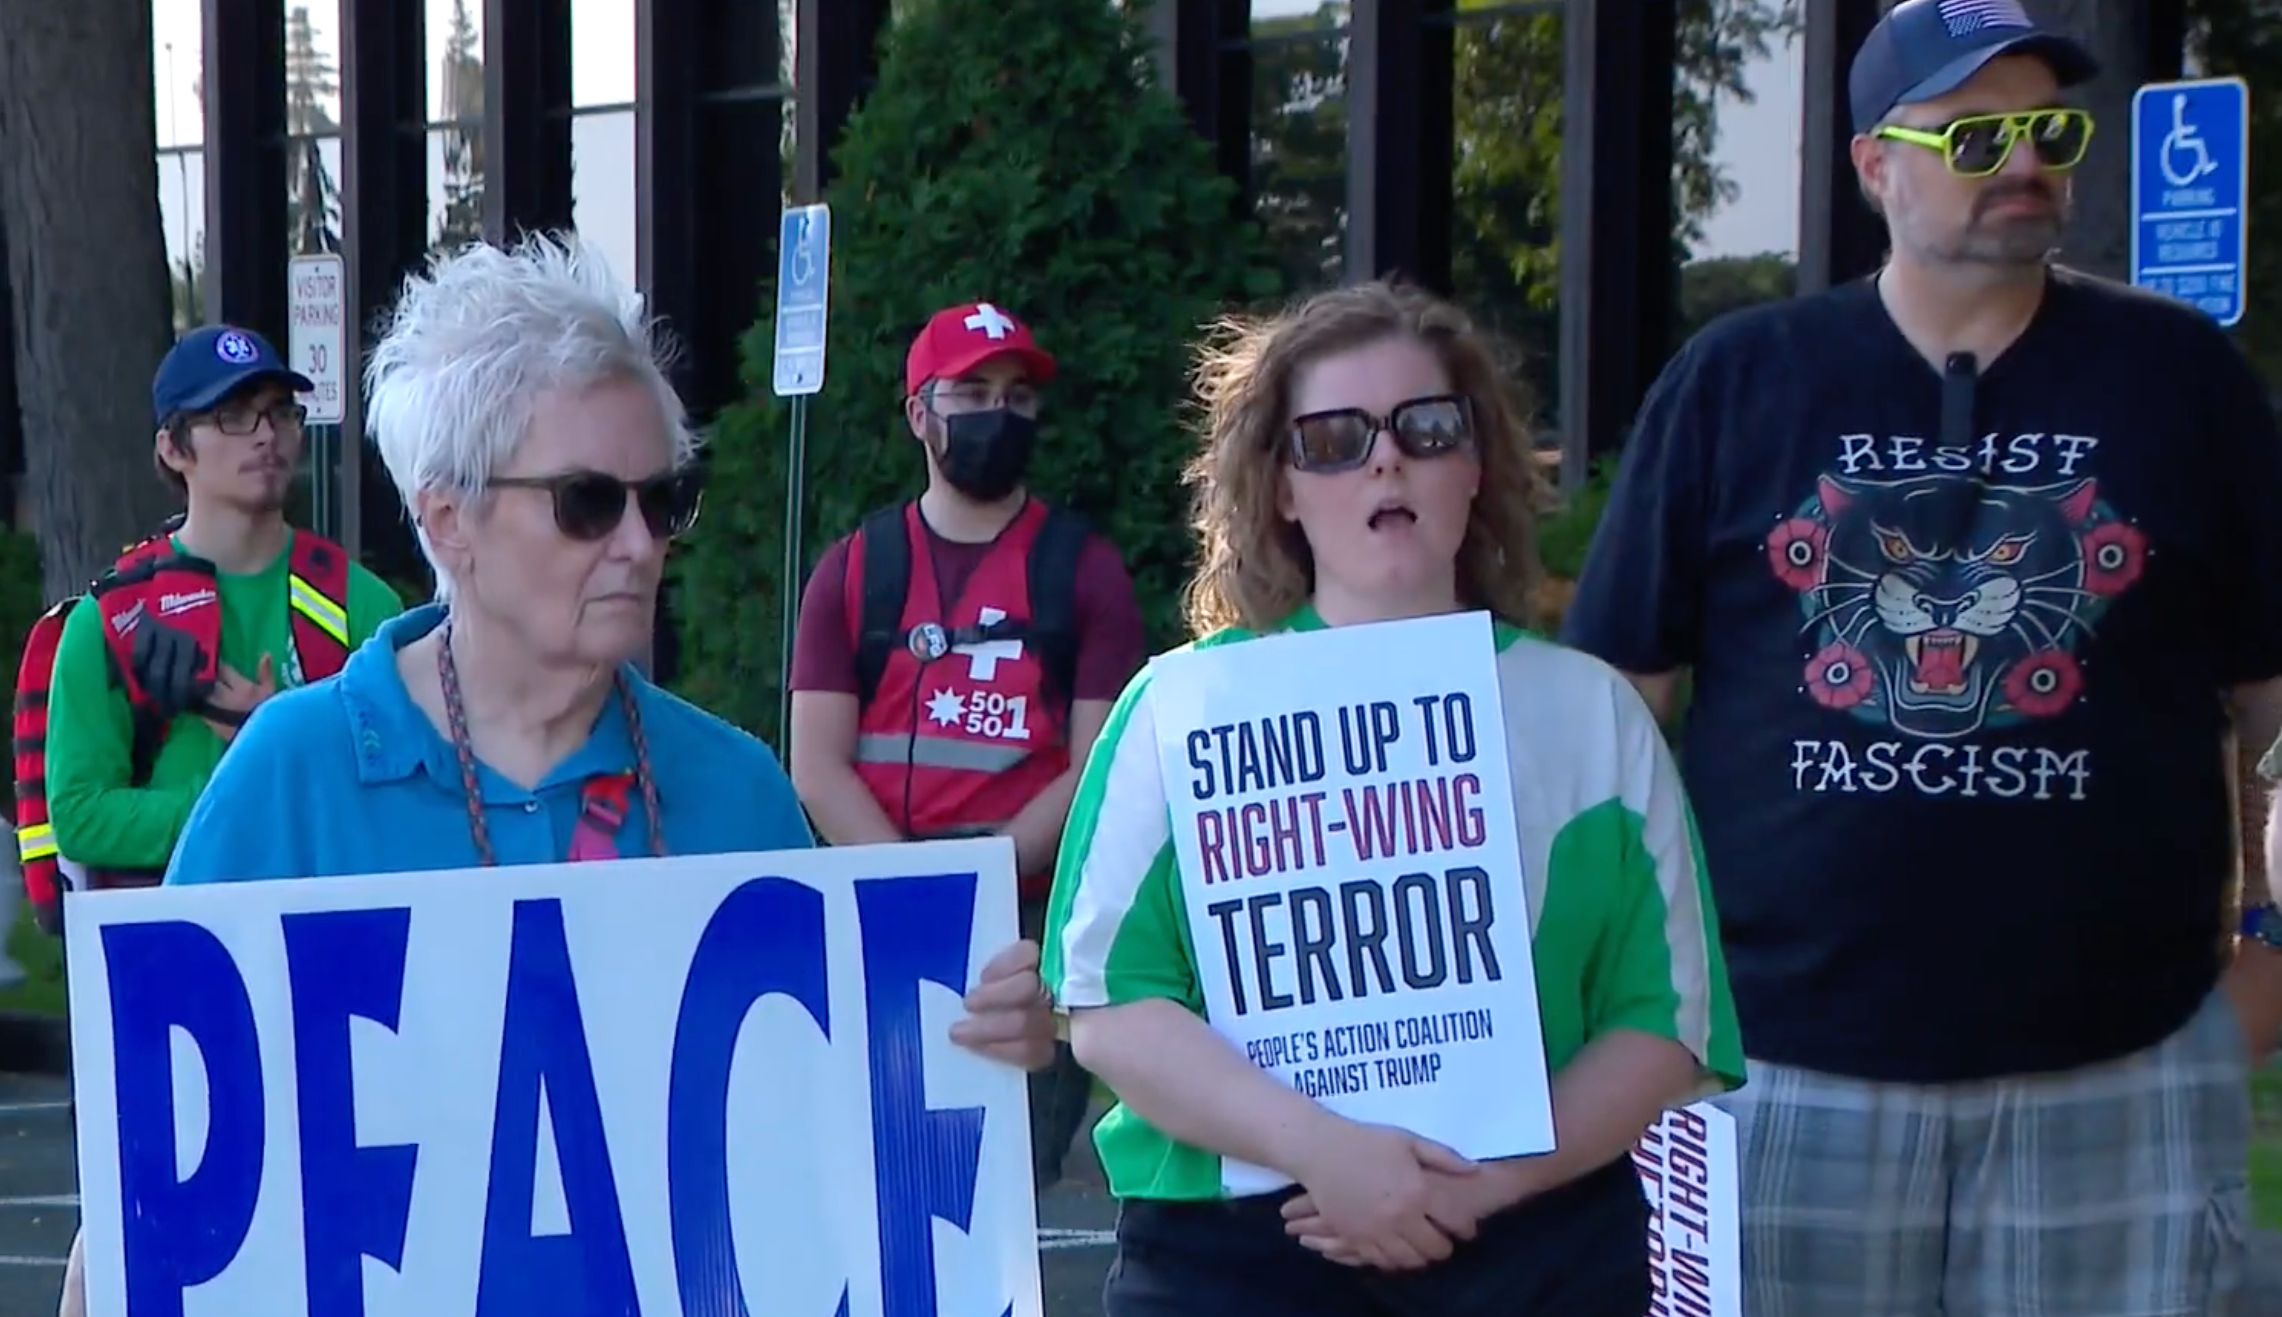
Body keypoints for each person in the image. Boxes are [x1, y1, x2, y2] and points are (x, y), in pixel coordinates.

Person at [53, 236, 1057, 1316]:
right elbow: (152, 1202)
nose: (637, 544)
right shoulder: (288, 783)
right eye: (586, 502)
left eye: (661, 501)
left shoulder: (733, 791)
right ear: (449, 517)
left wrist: (972, 1047)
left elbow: (821, 1161)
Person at [1559, 4, 2282, 1314]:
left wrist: (2272, 948)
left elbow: (2270, 699)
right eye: (1975, 134)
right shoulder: (1740, 379)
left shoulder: (2181, 381)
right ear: (1872, 166)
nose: (2024, 162)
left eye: (2049, 131)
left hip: (2117, 1067)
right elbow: (1611, 713)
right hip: (1780, 1065)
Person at [1040, 280, 1743, 1317]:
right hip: (1229, 1255)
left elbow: (1663, 1021)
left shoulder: (1588, 714)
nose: (1384, 458)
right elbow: (1110, 1004)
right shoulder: (1176, 707)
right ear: (1278, 486)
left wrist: (1478, 1187)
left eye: (1424, 428)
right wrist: (1325, 1153)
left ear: (1474, 464)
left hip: (1532, 1243)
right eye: (1331, 438)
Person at [788, 299, 1147, 1188]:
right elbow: (815, 760)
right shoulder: (856, 569)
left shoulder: (1084, 572)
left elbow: (1099, 764)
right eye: (974, 391)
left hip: (1026, 927)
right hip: (881, 905)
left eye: (1019, 396)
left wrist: (988, 868)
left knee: (1000, 1186)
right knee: (870, 1176)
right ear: (920, 413)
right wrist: (911, 882)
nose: (1000, 413)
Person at [25, 325, 402, 915]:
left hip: (328, 935)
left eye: (280, 413)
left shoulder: (365, 605)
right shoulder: (111, 620)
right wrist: (243, 789)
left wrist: (282, 740)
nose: (266, 435)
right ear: (174, 449)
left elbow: (401, 795)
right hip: (175, 945)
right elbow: (78, 818)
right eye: (232, 415)